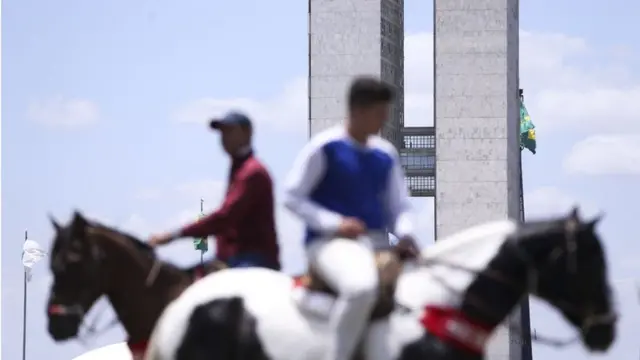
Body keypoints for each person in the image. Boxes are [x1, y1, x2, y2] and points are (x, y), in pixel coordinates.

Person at [283, 76, 418, 360]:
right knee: (361, 288)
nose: (384, 120)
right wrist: (335, 223)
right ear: (357, 110)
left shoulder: (385, 154)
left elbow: (400, 206)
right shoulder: (325, 147)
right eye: (379, 113)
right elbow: (292, 196)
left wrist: (405, 235)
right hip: (329, 243)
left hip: (378, 245)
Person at [148, 111, 280, 270]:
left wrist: (174, 234)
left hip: (252, 258)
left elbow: (225, 217)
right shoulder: (240, 169)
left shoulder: (252, 172)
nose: (224, 138)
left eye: (230, 131)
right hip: (232, 257)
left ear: (248, 133)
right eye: (222, 133)